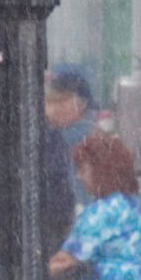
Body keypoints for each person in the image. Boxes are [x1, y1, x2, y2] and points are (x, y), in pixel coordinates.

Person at [50, 133, 141, 280]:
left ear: (101, 170)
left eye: (83, 169)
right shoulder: (137, 205)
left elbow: (64, 261)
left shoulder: (101, 212)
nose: (79, 177)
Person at [45, 65, 99, 208]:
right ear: (70, 100)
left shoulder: (53, 136)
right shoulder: (40, 134)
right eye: (82, 107)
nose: (80, 118)